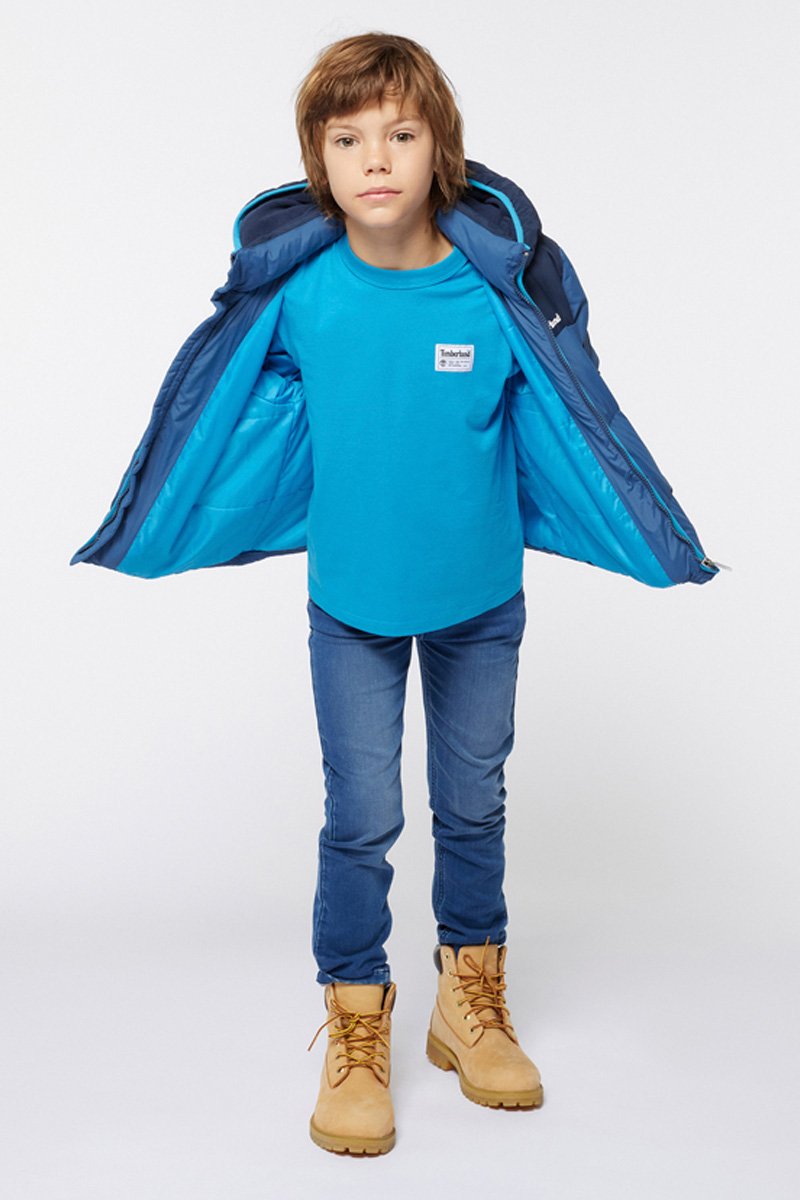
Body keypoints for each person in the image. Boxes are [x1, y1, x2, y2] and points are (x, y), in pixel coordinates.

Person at [285, 33, 544, 1156]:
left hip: (480, 598)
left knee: (473, 802)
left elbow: (565, 417)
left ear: (442, 149)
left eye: (400, 133)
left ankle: (466, 998)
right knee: (362, 817)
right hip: (350, 601)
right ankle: (355, 1022)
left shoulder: (491, 291)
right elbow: (241, 418)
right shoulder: (299, 296)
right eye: (348, 139)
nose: (376, 159)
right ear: (319, 160)